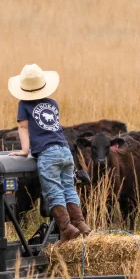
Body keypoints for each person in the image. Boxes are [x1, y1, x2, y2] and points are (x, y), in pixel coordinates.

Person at [9, 62, 89, 242]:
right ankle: (80, 223)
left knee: (54, 191)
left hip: (48, 154)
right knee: (69, 187)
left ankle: (66, 228)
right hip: (65, 150)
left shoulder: (24, 104)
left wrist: (24, 150)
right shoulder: (52, 103)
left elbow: (23, 127)